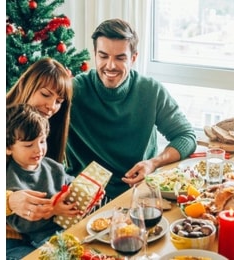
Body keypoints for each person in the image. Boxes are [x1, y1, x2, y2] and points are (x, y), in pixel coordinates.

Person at [65, 18, 197, 200]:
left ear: (133, 58)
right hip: (85, 198)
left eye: (120, 58)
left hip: (140, 192)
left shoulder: (150, 90)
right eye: (103, 56)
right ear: (95, 54)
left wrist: (153, 163)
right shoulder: (72, 91)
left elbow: (186, 136)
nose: (110, 65)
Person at [6, 104, 81, 259]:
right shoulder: (11, 180)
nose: (38, 149)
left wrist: (83, 188)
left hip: (69, 227)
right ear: (8, 148)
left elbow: (69, 181)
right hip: (41, 240)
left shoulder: (51, 166)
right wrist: (52, 211)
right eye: (28, 145)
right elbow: (21, 225)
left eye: (42, 141)